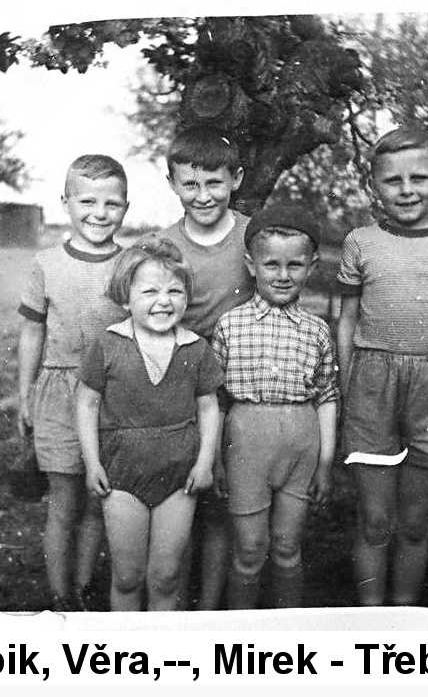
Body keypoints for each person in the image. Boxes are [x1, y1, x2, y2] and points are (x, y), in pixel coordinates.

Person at [336, 124, 428, 606]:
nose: (406, 190)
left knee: (416, 523)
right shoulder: (360, 242)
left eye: (419, 178)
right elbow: (346, 322)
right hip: (372, 385)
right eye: (392, 180)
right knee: (374, 520)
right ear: (373, 186)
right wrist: (347, 393)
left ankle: (404, 617)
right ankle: (370, 616)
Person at [75, 235, 223, 611]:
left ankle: (163, 640)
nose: (164, 301)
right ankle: (126, 643)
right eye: (150, 291)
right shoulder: (108, 344)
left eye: (175, 291)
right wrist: (92, 464)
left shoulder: (195, 348)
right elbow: (87, 403)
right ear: (126, 298)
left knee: (166, 576)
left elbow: (208, 407)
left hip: (179, 474)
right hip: (121, 472)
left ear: (187, 296)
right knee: (127, 576)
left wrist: (205, 463)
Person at [211, 204, 339, 610]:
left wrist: (325, 463)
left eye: (295, 265)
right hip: (246, 445)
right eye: (271, 264)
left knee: (287, 546)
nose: (283, 275)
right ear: (252, 265)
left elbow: (327, 396)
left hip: (301, 445)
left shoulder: (317, 331)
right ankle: (239, 630)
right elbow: (215, 399)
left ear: (311, 266)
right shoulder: (230, 325)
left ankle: (288, 628)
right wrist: (215, 459)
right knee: (249, 549)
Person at [17, 154, 131, 611]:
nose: (99, 213)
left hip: (113, 396)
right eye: (87, 201)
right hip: (59, 393)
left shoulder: (130, 264)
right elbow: (32, 331)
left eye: (111, 203)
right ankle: (59, 595)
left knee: (98, 498)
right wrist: (24, 394)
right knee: (64, 501)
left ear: (126, 207)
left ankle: (82, 589)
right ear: (65, 203)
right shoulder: (46, 263)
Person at [161, 126, 255, 610]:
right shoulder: (163, 245)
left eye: (214, 183)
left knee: (221, 502)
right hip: (181, 387)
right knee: (179, 498)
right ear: (173, 184)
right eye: (190, 184)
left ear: (235, 179)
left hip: (239, 386)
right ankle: (173, 603)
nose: (203, 196)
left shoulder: (252, 236)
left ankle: (212, 607)